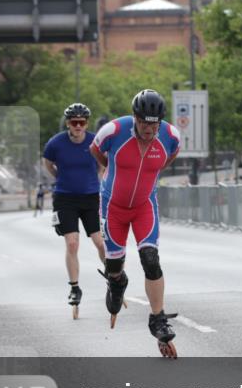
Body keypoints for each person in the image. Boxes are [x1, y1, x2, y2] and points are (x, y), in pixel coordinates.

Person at [91, 89, 181, 358]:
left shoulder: (170, 136)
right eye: (144, 123)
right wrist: (112, 169)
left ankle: (158, 318)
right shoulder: (113, 131)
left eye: (154, 123)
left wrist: (149, 174)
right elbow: (95, 150)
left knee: (151, 258)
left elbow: (170, 156)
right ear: (135, 118)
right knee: (115, 265)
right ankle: (116, 282)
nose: (149, 129)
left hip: (144, 206)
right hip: (113, 207)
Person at [43, 103, 107, 319]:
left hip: (90, 197)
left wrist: (95, 180)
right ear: (68, 123)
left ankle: (113, 276)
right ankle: (74, 287)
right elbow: (48, 163)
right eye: (74, 122)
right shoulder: (56, 143)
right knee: (72, 243)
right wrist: (59, 178)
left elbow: (102, 164)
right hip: (65, 199)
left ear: (86, 123)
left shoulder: (94, 141)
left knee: (99, 241)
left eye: (82, 122)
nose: (78, 126)